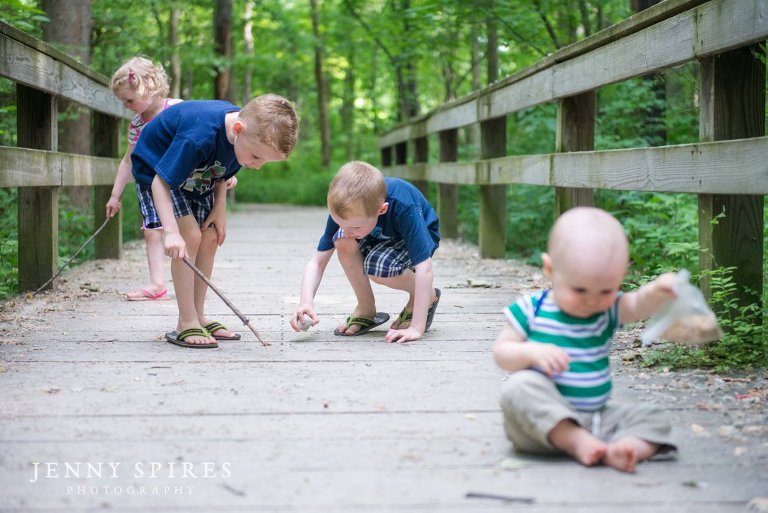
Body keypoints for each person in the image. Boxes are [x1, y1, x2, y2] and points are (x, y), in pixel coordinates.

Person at [493, 206, 678, 473]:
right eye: (579, 290)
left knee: (655, 417)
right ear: (550, 269)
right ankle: (576, 441)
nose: (592, 300)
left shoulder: (607, 309)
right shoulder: (532, 308)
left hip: (598, 419)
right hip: (542, 425)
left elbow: (638, 304)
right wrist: (531, 352)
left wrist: (658, 291)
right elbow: (502, 353)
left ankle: (623, 448)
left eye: (606, 290)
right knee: (518, 388)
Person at [131, 94, 298, 348]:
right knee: (190, 236)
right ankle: (185, 322)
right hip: (158, 174)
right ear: (238, 130)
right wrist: (171, 232)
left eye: (264, 161)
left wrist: (220, 209)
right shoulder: (200, 136)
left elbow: (222, 171)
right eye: (256, 157)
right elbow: (161, 182)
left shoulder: (244, 138)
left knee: (209, 235)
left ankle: (198, 316)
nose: (257, 165)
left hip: (194, 177)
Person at [107, 56, 238, 301]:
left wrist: (225, 174)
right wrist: (115, 194)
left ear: (150, 88)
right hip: (151, 180)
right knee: (152, 229)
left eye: (129, 100)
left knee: (195, 234)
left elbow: (205, 142)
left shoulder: (178, 109)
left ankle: (190, 287)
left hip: (186, 181)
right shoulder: (137, 124)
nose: (126, 106)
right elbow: (128, 160)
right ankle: (157, 283)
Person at [290, 161, 441, 344]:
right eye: (340, 223)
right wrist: (305, 302)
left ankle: (426, 296)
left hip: (418, 236)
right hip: (377, 236)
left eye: (354, 226)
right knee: (341, 239)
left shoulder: (402, 204)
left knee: (378, 267)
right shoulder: (346, 212)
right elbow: (317, 262)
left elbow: (424, 268)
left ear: (382, 209)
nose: (346, 229)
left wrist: (417, 328)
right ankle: (366, 308)